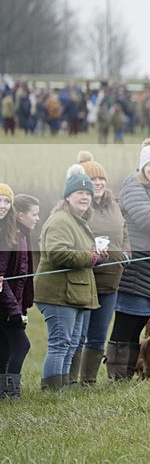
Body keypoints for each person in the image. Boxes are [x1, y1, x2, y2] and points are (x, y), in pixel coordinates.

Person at [107, 138, 150, 380]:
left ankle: (129, 375)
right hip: (137, 268)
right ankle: (117, 377)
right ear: (142, 168)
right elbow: (145, 218)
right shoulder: (134, 186)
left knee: (137, 327)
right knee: (124, 327)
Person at [34, 166, 104, 390]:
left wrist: (96, 257)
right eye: (79, 193)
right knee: (60, 343)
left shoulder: (77, 220)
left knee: (72, 343)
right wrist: (91, 258)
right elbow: (57, 253)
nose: (84, 197)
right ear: (67, 196)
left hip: (74, 293)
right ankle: (52, 390)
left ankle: (62, 388)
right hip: (58, 294)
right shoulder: (60, 220)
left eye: (88, 194)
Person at [69, 152, 129, 385]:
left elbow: (125, 232)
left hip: (112, 279)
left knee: (98, 335)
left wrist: (126, 251)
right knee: (79, 334)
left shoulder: (114, 205)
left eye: (101, 178)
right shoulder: (80, 208)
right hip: (87, 278)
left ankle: (89, 381)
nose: (99, 183)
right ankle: (71, 381)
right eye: (93, 180)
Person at [0, 188, 37, 398]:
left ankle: (5, 394)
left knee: (5, 347)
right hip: (7, 304)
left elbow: (15, 277)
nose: (3, 205)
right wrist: (15, 311)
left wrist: (19, 307)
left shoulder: (11, 232)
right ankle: (11, 394)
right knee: (22, 344)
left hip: (7, 303)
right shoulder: (10, 236)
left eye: (7, 201)